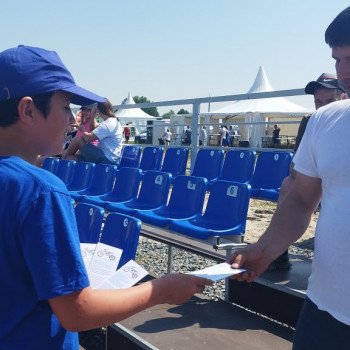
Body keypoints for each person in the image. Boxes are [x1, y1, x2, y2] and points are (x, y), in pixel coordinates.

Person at [0, 45, 212, 349]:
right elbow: (77, 312)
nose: (74, 121)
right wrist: (162, 289)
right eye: (66, 108)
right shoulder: (40, 191)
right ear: (28, 110)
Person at [228, 7, 350, 349]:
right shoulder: (325, 122)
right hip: (324, 309)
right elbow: (300, 198)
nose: (344, 72)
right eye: (337, 60)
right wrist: (265, 249)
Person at [269, 73, 346, 270]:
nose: (323, 107)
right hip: (317, 181)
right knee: (288, 183)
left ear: (343, 99)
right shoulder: (311, 121)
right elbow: (296, 166)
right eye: (318, 102)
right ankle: (278, 253)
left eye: (330, 101)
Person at [62, 98, 123, 165]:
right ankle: (64, 160)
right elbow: (92, 130)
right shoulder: (111, 122)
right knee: (70, 158)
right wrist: (92, 115)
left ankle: (61, 162)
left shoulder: (108, 124)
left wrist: (83, 131)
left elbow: (88, 138)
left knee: (77, 140)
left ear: (99, 109)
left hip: (106, 159)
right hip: (107, 158)